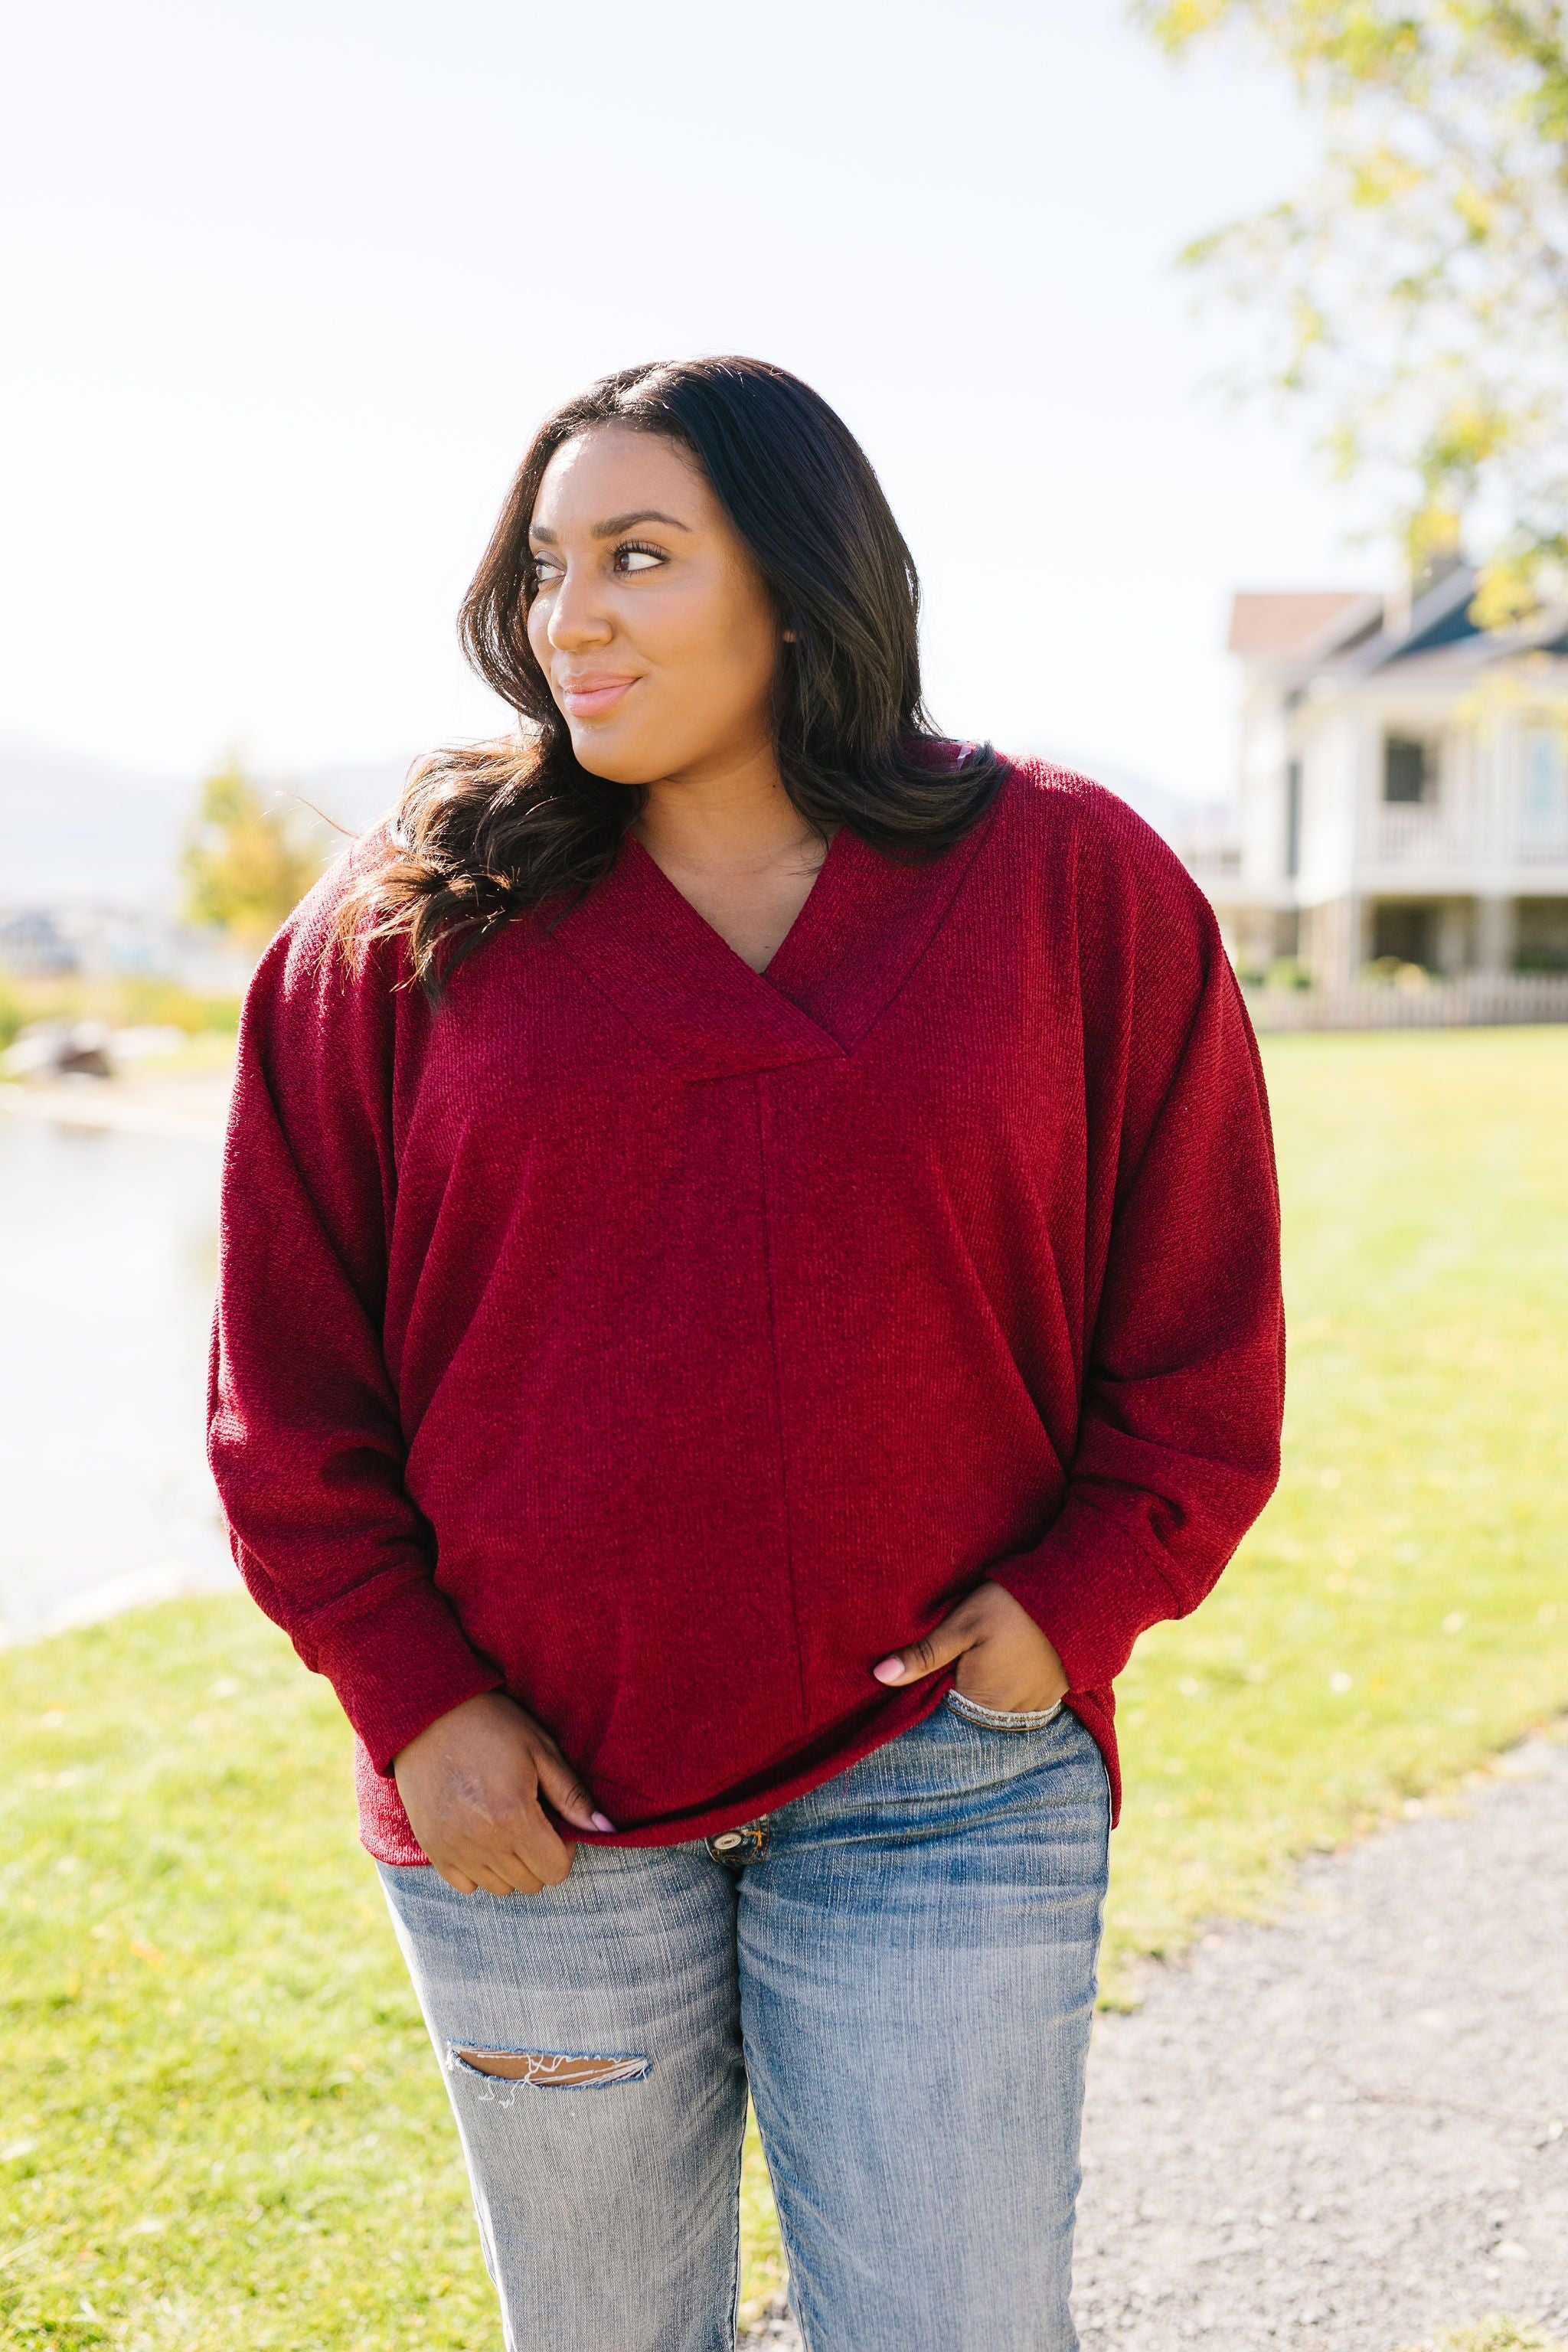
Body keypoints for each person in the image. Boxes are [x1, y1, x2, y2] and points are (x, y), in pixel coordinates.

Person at [207, 354, 1285, 2352]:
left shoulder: (1068, 884)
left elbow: (1198, 1323)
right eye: (548, 567)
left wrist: (1084, 1597)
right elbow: (288, 1394)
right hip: (533, 1808)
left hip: (944, 1787)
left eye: (639, 557)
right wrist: (417, 1702)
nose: (572, 619)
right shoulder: (398, 932)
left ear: (794, 584)